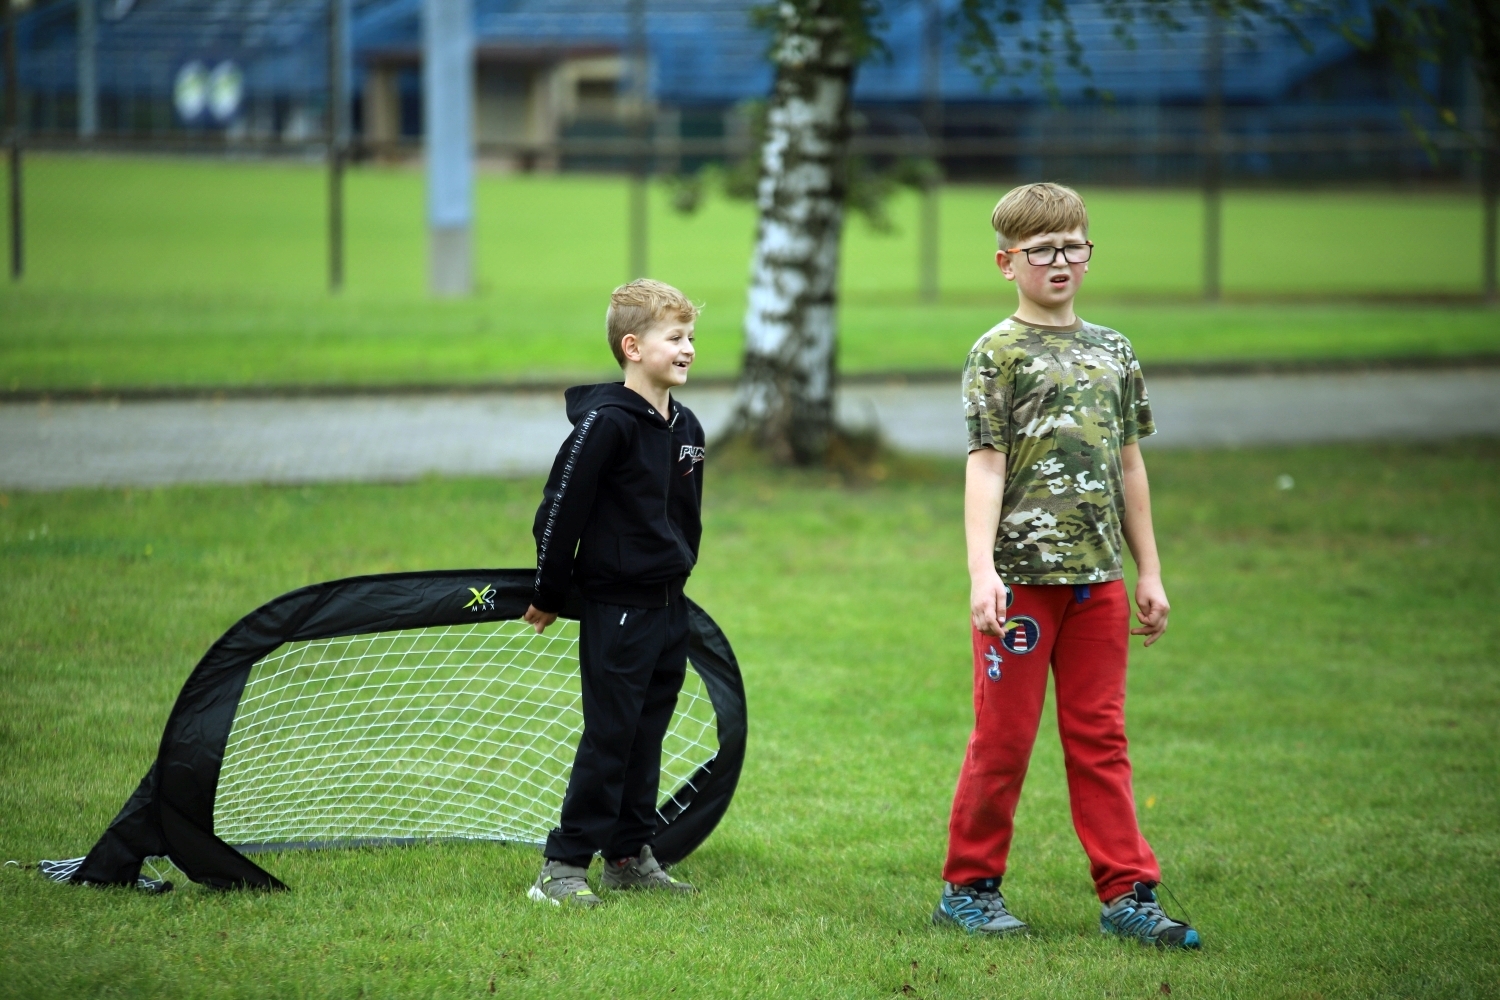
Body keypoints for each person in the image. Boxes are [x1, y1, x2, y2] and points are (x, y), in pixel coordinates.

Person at [931, 183, 1200, 949]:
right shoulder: (997, 352)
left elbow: (1130, 466)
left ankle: (1130, 894)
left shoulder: (1113, 349)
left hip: (1099, 583)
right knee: (1005, 739)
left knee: (1101, 739)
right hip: (1020, 587)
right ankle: (969, 889)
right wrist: (983, 572)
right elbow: (984, 467)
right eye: (1040, 250)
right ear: (1006, 261)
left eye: (1072, 246)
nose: (1059, 261)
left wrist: (1149, 572)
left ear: (1088, 252)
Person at [522, 279, 706, 907]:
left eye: (690, 338)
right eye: (674, 338)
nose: (687, 349)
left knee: (647, 732)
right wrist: (550, 590)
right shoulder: (605, 426)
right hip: (617, 610)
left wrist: (677, 579)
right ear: (633, 346)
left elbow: (685, 521)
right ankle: (563, 865)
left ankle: (627, 854)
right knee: (610, 735)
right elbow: (559, 514)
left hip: (666, 608)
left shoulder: (687, 427)